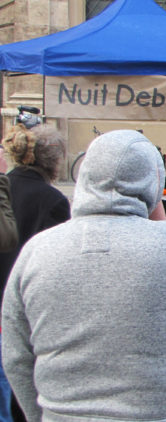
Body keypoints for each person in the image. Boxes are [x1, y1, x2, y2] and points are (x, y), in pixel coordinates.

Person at [1, 129, 166, 421]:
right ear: (153, 183)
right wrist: (161, 219)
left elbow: (15, 353)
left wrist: (39, 415)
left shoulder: (37, 250)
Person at [0, 123, 71, 421]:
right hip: (27, 309)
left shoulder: (4, 187)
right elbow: (57, 268)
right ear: (54, 161)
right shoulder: (52, 200)